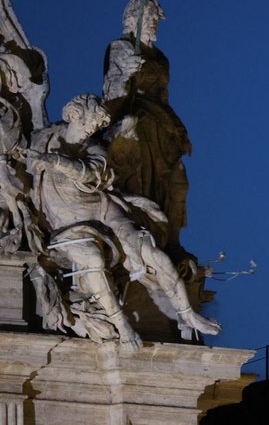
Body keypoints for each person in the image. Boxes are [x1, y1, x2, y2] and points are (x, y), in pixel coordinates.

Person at [19, 93, 220, 352]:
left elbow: (90, 172)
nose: (90, 131)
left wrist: (54, 161)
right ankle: (122, 325)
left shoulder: (94, 149)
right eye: (87, 125)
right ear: (72, 116)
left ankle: (188, 313)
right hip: (66, 226)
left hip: (103, 212)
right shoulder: (43, 138)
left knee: (149, 250)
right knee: (92, 259)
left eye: (94, 128)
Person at [102, 0, 192, 271]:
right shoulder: (119, 47)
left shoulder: (162, 58)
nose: (154, 23)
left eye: (156, 19)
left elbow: (163, 95)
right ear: (133, 19)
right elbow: (111, 91)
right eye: (150, 18)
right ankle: (140, 227)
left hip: (160, 123)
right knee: (139, 172)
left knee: (175, 180)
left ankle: (171, 239)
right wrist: (127, 75)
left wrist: (174, 127)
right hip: (134, 116)